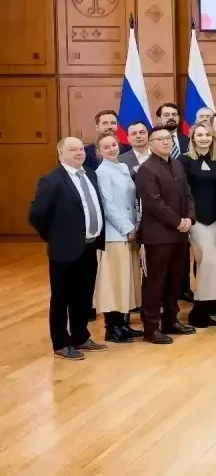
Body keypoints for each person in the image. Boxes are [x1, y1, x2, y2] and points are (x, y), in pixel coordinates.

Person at [28, 137, 108, 359]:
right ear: (60, 153)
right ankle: (61, 343)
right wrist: (53, 236)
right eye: (73, 150)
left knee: (83, 295)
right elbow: (36, 215)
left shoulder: (90, 174)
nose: (79, 153)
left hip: (89, 246)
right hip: (64, 249)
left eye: (81, 149)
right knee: (61, 297)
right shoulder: (51, 181)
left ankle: (80, 336)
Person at [135, 127, 196, 343]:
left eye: (168, 138)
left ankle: (171, 320)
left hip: (180, 233)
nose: (165, 142)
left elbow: (188, 194)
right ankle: (151, 327)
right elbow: (153, 202)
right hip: (158, 235)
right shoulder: (146, 169)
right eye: (159, 139)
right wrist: (177, 221)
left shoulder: (177, 164)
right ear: (150, 144)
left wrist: (189, 218)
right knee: (155, 281)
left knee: (175, 279)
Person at [91, 134, 143, 343]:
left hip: (130, 231)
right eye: (106, 147)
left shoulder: (122, 167)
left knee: (127, 279)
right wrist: (127, 227)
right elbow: (107, 205)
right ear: (99, 151)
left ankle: (123, 324)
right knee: (114, 280)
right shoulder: (102, 172)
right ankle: (112, 328)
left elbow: (131, 200)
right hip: (115, 235)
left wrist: (136, 223)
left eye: (113, 145)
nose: (111, 149)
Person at [179, 123, 216, 328]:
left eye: (207, 134)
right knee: (209, 261)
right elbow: (182, 192)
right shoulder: (184, 161)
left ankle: (207, 308)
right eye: (200, 135)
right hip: (195, 219)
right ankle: (197, 310)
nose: (204, 138)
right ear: (193, 138)